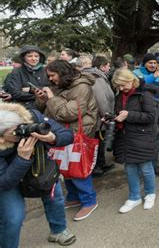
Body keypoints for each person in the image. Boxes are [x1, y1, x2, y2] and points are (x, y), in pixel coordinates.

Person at [0, 102, 76, 247]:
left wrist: (53, 138)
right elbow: (3, 183)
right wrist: (22, 158)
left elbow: (68, 135)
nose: (24, 132)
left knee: (55, 198)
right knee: (13, 218)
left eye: (21, 126)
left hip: (40, 166)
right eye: (15, 133)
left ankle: (58, 230)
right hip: (9, 176)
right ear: (1, 138)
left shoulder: (32, 117)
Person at [34, 60, 99, 221]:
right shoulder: (62, 85)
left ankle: (89, 201)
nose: (50, 79)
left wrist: (51, 97)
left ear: (62, 73)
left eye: (52, 75)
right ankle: (74, 197)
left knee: (78, 168)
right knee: (64, 167)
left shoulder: (81, 87)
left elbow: (68, 113)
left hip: (78, 133)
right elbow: (48, 109)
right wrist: (43, 99)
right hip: (64, 132)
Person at [110, 69, 158, 213]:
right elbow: (119, 113)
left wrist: (129, 115)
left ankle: (150, 194)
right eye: (118, 86)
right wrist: (111, 118)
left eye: (123, 85)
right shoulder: (120, 96)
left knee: (146, 168)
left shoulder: (145, 94)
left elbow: (150, 117)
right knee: (130, 168)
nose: (121, 88)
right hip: (126, 137)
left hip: (143, 137)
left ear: (131, 80)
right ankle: (134, 197)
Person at [133, 53, 159, 176]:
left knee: (156, 140)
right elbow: (137, 87)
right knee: (142, 141)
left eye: (155, 63)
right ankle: (143, 167)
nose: (153, 65)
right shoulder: (136, 73)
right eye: (150, 63)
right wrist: (152, 77)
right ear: (144, 63)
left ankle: (154, 166)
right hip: (142, 112)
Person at [83, 57, 115, 177]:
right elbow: (101, 99)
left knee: (98, 142)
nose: (109, 68)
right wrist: (107, 115)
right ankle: (96, 167)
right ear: (102, 66)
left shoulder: (96, 76)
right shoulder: (96, 78)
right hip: (98, 118)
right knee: (97, 142)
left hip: (96, 117)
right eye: (107, 66)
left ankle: (100, 164)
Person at [4, 45, 49, 110]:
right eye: (29, 56)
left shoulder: (45, 70)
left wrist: (30, 89)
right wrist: (39, 95)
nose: (33, 59)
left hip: (44, 107)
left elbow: (50, 88)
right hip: (24, 108)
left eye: (36, 56)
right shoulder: (17, 71)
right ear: (24, 57)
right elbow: (16, 94)